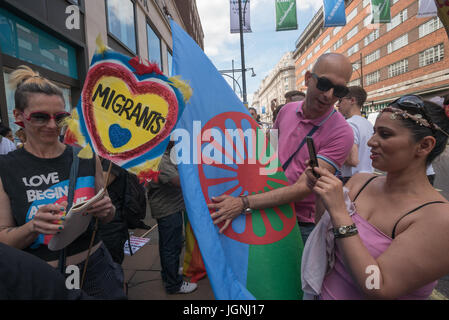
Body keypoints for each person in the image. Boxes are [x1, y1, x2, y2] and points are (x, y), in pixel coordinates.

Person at [302, 95, 449, 299]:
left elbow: (377, 285)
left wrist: (339, 212)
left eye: (385, 134)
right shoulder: (360, 182)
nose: (371, 142)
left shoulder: (439, 220)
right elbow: (325, 235)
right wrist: (321, 194)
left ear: (424, 146)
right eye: (374, 132)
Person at [0, 65, 126, 299]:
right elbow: (3, 240)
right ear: (18, 116)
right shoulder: (6, 167)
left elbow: (108, 215)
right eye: (40, 117)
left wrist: (107, 209)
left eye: (59, 117)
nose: (51, 125)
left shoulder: (86, 156)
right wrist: (32, 227)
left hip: (96, 269)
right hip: (40, 281)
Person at [208, 53, 354, 246]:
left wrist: (243, 202)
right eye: (324, 84)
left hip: (301, 224)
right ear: (308, 78)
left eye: (339, 91)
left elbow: (303, 189)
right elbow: (268, 156)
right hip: (266, 208)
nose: (329, 95)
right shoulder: (286, 111)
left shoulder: (342, 132)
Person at [147, 146, 198, 294]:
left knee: (170, 245)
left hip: (170, 208)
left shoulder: (163, 155)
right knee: (171, 247)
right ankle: (173, 284)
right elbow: (178, 181)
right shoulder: (161, 159)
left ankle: (170, 273)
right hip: (167, 210)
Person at [336, 86, 374, 184]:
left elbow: (353, 160)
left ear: (352, 100)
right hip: (369, 178)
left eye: (340, 100)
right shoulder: (368, 124)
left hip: (352, 180)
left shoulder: (349, 124)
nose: (337, 104)